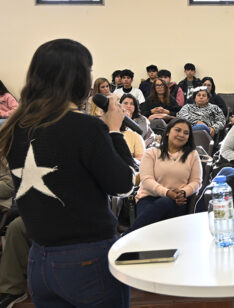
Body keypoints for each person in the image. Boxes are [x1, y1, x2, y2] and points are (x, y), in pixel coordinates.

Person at [0, 38, 136, 307]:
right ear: (79, 77)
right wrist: (114, 131)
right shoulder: (85, 127)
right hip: (87, 258)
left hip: (39, 259)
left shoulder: (15, 127)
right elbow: (123, 185)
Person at [126, 118, 202, 233]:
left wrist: (183, 192)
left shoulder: (192, 155)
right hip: (149, 198)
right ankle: (132, 238)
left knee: (165, 202)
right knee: (150, 223)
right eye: (178, 130)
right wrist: (167, 192)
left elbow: (196, 181)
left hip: (178, 200)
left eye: (186, 133)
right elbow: (146, 180)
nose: (181, 135)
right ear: (167, 132)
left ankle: (128, 236)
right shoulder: (151, 152)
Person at [119, 95, 145, 161]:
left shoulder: (141, 119)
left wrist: (128, 119)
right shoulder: (115, 119)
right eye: (125, 103)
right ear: (120, 105)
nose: (128, 106)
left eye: (132, 104)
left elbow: (142, 133)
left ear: (135, 107)